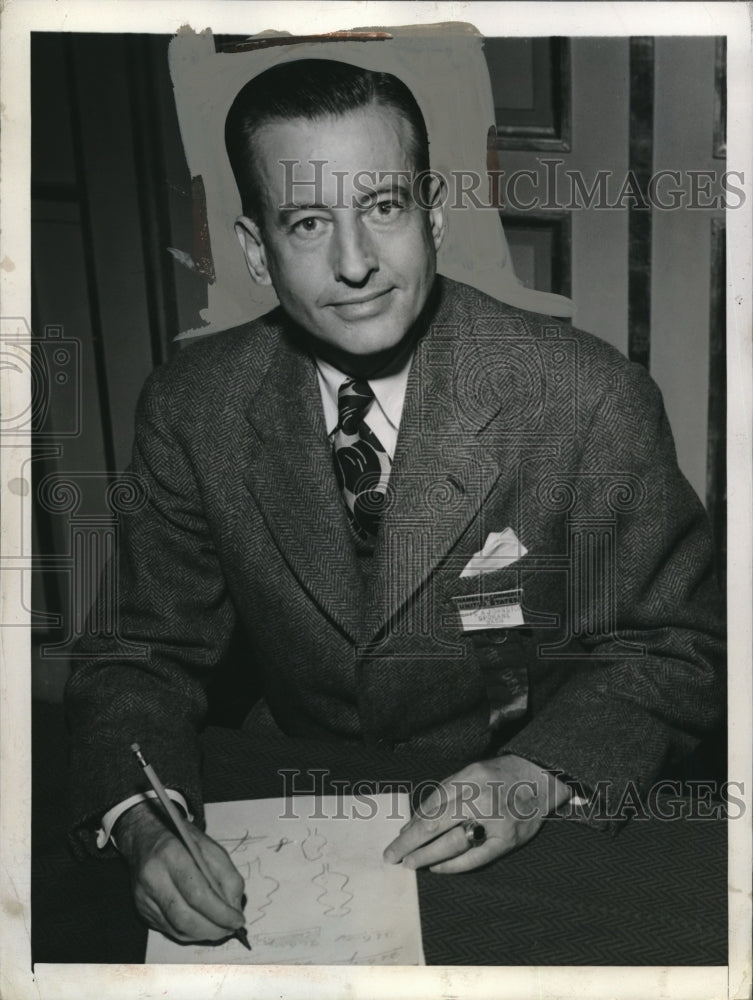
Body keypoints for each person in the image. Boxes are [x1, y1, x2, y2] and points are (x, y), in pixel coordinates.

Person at [64, 58, 725, 946]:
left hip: (518, 814)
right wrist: (143, 816)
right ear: (256, 250)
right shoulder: (193, 407)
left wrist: (533, 776)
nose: (356, 264)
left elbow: (672, 646)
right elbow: (141, 651)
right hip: (286, 807)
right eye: (307, 223)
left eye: (383, 207)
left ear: (434, 212)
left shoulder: (585, 396)